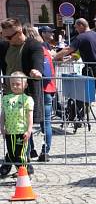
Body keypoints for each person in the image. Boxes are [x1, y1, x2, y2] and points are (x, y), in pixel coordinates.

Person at [0, 20, 44, 164]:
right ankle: (15, 160)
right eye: (3, 35)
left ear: (19, 32)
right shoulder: (4, 46)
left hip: (26, 94)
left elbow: (37, 60)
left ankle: (22, 164)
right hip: (8, 93)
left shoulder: (33, 45)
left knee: (23, 129)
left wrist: (36, 71)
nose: (5, 39)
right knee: (11, 129)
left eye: (8, 36)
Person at [53, 18, 96, 125]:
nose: (76, 29)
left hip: (90, 67)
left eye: (76, 27)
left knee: (83, 92)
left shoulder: (81, 37)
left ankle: (79, 116)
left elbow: (68, 49)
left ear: (81, 25)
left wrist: (54, 57)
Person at [22, 24, 56, 162]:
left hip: (34, 90)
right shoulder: (45, 49)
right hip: (48, 89)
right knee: (46, 123)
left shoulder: (28, 50)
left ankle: (30, 151)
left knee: (26, 122)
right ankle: (45, 152)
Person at [0, 72, 34, 177]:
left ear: (25, 85)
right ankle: (21, 171)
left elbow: (29, 116)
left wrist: (29, 130)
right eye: (12, 84)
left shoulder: (27, 99)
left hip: (21, 132)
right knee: (11, 154)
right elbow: (3, 114)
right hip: (10, 132)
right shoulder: (6, 98)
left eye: (18, 84)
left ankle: (24, 175)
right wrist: (2, 127)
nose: (15, 86)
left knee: (21, 155)